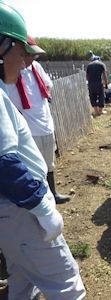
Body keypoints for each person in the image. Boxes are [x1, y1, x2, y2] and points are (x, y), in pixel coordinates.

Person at [0, 2, 85, 299]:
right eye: (21, 52)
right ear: (2, 46)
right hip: (20, 210)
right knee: (68, 286)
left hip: (8, 215)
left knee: (23, 282)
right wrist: (43, 208)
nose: (25, 63)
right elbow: (4, 162)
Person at [5, 36, 70, 204]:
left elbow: (48, 85)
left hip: (45, 124)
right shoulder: (10, 71)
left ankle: (53, 194)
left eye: (33, 56)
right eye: (28, 55)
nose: (31, 59)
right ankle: (40, 199)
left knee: (49, 164)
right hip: (27, 128)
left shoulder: (36, 68)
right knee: (32, 167)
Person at [86, 53, 108, 117]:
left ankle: (96, 111)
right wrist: (106, 84)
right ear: (99, 59)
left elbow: (87, 76)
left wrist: (90, 82)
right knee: (101, 96)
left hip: (91, 84)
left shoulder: (89, 65)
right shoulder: (101, 64)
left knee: (92, 97)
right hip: (99, 83)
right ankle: (100, 111)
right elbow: (104, 75)